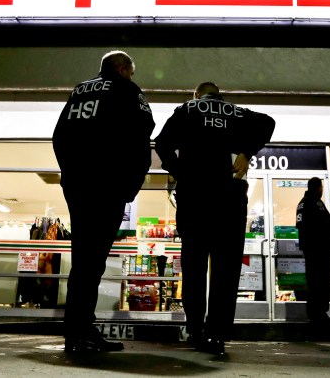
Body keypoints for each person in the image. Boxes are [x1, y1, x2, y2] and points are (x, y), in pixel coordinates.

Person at [154, 82, 275, 355]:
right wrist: (247, 152)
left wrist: (179, 170)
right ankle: (217, 334)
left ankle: (195, 330)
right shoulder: (236, 112)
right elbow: (268, 122)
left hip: (195, 198)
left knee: (194, 267)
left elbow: (161, 143)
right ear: (219, 95)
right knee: (226, 269)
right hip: (229, 200)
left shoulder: (187, 110)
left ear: (197, 95)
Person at [52, 50, 155, 353]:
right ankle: (80, 334)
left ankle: (79, 330)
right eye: (131, 72)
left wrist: (70, 173)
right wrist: (130, 186)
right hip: (108, 185)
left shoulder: (80, 91)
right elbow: (141, 136)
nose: (132, 77)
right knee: (92, 261)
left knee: (83, 260)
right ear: (123, 70)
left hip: (78, 185)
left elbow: (59, 136)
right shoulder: (127, 90)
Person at [295, 177, 330, 325]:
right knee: (319, 281)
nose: (322, 190)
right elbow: (323, 225)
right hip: (318, 249)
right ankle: (318, 313)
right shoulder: (312, 203)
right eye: (321, 187)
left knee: (315, 281)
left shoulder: (304, 203)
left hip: (314, 249)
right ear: (318, 188)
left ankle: (317, 313)